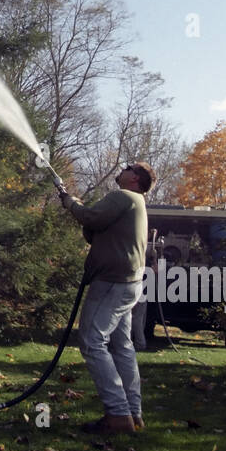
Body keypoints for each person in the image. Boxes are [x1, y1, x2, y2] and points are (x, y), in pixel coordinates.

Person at [58, 162, 156, 434]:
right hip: (129, 283)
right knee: (122, 346)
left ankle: (117, 414)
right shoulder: (137, 202)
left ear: (135, 178)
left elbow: (91, 218)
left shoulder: (123, 196)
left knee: (92, 341)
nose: (122, 169)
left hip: (112, 283)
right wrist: (78, 209)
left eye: (127, 167)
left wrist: (70, 202)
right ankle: (134, 415)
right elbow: (97, 230)